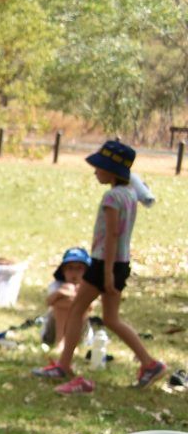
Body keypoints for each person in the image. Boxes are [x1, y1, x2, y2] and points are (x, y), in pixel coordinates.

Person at [32, 139, 166, 394]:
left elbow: (113, 235)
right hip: (121, 263)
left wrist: (105, 276)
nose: (95, 171)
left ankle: (63, 365)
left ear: (111, 172)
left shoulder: (112, 197)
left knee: (76, 310)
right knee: (111, 319)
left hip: (105, 263)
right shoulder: (130, 193)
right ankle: (150, 363)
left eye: (99, 167)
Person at [41, 246, 93, 355]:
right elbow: (49, 302)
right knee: (60, 303)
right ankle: (60, 341)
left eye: (79, 268)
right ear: (63, 270)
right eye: (70, 268)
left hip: (80, 330)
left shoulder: (89, 287)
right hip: (53, 329)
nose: (74, 272)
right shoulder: (57, 285)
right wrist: (61, 293)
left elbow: (90, 307)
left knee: (79, 306)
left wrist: (78, 296)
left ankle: (71, 344)